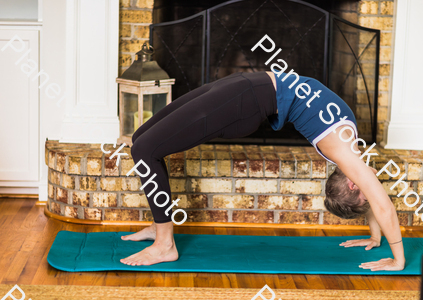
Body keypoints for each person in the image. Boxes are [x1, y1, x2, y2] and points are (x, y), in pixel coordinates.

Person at [119, 70, 405, 272]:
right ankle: (160, 228)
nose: (371, 188)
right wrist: (398, 259)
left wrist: (376, 236)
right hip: (247, 89)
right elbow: (382, 205)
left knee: (145, 150)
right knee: (141, 138)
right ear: (355, 185)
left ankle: (165, 243)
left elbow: (373, 200)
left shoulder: (348, 147)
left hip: (247, 99)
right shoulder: (346, 154)